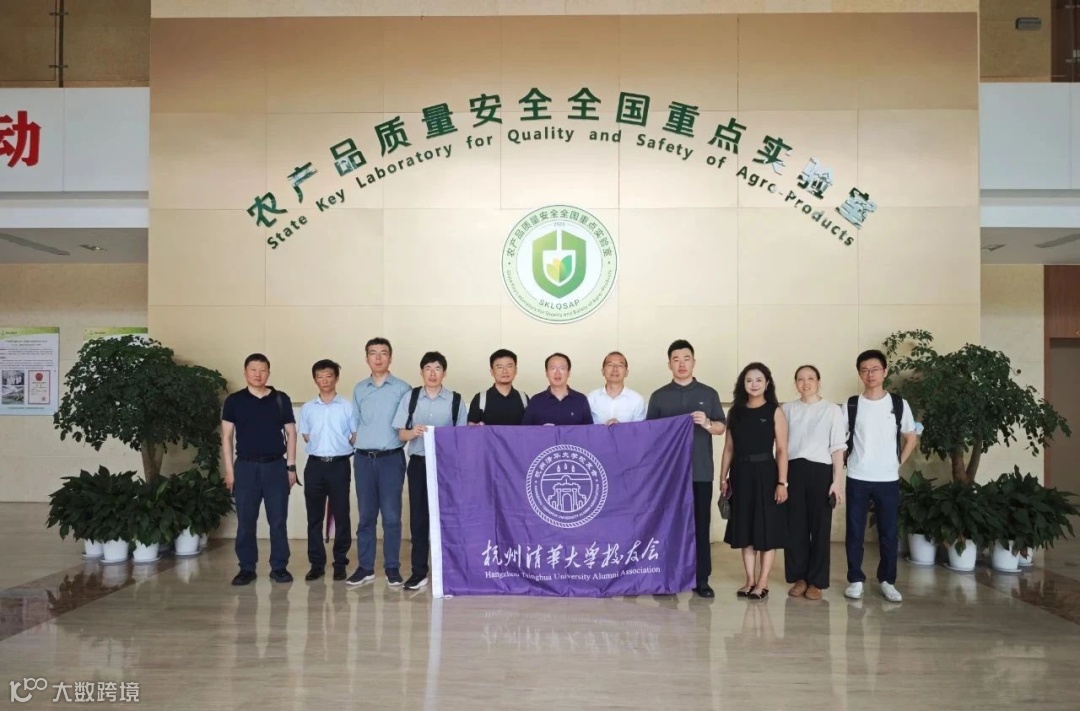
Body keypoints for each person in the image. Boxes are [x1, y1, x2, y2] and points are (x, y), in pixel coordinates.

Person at [645, 339, 726, 598]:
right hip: (668, 475)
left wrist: (707, 423)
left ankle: (701, 579)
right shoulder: (659, 396)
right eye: (676, 359)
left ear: (694, 362)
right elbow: (650, 434)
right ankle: (668, 578)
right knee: (668, 525)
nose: (681, 364)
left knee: (700, 526)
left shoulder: (708, 393)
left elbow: (721, 428)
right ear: (669, 364)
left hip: (699, 472)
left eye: (686, 358)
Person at [843, 349, 918, 603]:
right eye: (864, 370)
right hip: (857, 476)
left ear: (885, 371)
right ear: (859, 374)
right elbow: (840, 441)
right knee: (855, 531)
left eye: (875, 369)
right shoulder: (852, 405)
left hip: (887, 479)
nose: (870, 374)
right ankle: (855, 579)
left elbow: (911, 437)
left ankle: (887, 580)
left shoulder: (898, 404)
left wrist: (897, 463)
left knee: (888, 532)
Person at [392, 351, 468, 590]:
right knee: (419, 517)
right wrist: (412, 432)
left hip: (446, 466)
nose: (432, 373)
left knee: (448, 516)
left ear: (444, 372)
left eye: (437, 368)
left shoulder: (455, 400)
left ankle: (450, 570)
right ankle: (419, 571)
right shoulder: (411, 397)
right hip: (419, 464)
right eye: (428, 368)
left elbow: (462, 437)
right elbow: (400, 434)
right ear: (421, 372)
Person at [221, 353, 297, 585]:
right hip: (245, 467)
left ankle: (279, 567)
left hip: (276, 467)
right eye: (253, 370)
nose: (258, 374)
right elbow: (226, 437)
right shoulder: (234, 401)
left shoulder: (280, 399)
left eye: (263, 370)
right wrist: (230, 471)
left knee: (278, 520)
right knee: (246, 521)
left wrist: (291, 467)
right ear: (245, 372)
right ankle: (246, 568)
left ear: (268, 373)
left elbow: (291, 433)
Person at [721, 362, 789, 601]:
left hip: (766, 474)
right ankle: (749, 580)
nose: (754, 384)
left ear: (767, 383)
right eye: (749, 380)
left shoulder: (774, 411)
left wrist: (782, 483)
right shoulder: (735, 412)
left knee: (765, 529)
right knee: (745, 528)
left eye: (759, 380)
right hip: (740, 474)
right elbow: (728, 448)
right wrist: (723, 478)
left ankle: (763, 582)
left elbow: (781, 449)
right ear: (743, 384)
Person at [349, 338, 411, 588]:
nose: (378, 358)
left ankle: (392, 567)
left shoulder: (403, 389)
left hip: (391, 460)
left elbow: (406, 426)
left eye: (383, 353)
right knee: (366, 516)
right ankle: (365, 568)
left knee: (392, 516)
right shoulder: (359, 389)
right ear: (366, 358)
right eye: (373, 353)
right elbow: (354, 425)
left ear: (390, 357)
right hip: (363, 460)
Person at [781, 365, 845, 600]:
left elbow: (838, 448)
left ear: (818, 381)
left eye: (810, 378)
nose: (805, 383)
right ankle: (799, 578)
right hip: (793, 471)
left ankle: (817, 581)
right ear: (795, 383)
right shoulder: (787, 409)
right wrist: (780, 480)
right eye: (800, 379)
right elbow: (780, 446)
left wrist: (837, 482)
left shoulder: (832, 410)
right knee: (794, 527)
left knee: (820, 528)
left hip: (821, 472)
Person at [298, 359, 359, 582]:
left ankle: (340, 562)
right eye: (320, 376)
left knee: (341, 514)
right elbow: (306, 435)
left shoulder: (347, 406)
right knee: (314, 517)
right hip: (314, 466)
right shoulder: (307, 408)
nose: (324, 380)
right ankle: (316, 564)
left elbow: (354, 435)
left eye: (329, 376)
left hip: (339, 465)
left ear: (336, 378)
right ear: (315, 379)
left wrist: (338, 448)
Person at [521, 353, 593, 426]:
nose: (557, 373)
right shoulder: (536, 401)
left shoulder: (581, 400)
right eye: (553, 368)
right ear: (546, 373)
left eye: (562, 368)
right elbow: (525, 430)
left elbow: (589, 430)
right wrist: (542, 430)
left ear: (568, 373)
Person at [468, 348, 529, 425]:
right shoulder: (480, 399)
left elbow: (530, 427)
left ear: (516, 370)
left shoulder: (523, 398)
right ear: (492, 372)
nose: (505, 371)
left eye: (509, 366)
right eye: (499, 367)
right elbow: (470, 428)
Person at [586, 351, 646, 425]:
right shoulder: (591, 398)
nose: (615, 369)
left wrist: (619, 428)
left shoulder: (637, 400)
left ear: (626, 372)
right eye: (610, 365)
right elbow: (586, 429)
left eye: (620, 365)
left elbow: (639, 429)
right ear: (603, 371)